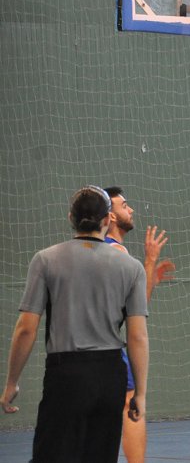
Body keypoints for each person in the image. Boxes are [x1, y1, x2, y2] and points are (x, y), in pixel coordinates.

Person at [0, 186, 149, 463]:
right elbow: (138, 336)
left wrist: (11, 382)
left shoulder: (46, 260)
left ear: (71, 217)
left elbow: (26, 328)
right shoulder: (131, 267)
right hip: (110, 377)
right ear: (107, 219)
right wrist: (139, 393)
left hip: (66, 376)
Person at [104, 186, 175, 463]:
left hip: (75, 353)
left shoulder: (93, 249)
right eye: (124, 205)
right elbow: (136, 309)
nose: (130, 209)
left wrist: (150, 276)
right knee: (130, 404)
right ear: (109, 216)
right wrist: (150, 260)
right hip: (107, 346)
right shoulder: (117, 252)